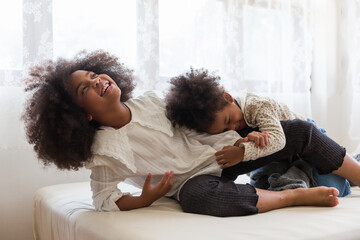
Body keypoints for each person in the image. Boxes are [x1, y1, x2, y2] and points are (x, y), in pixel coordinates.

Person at [23, 50, 345, 218]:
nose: (96, 80)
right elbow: (104, 199)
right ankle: (291, 196)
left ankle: (355, 172)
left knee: (300, 130)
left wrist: (246, 138)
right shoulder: (104, 149)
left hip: (221, 154)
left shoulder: (149, 102)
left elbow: (198, 121)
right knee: (198, 198)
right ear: (83, 115)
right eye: (85, 88)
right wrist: (144, 198)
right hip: (190, 181)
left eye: (94, 74)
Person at [165, 68, 357, 197]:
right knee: (266, 182)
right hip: (280, 157)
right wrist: (248, 140)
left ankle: (351, 169)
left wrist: (243, 152)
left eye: (228, 120)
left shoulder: (257, 106)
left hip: (305, 141)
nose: (232, 127)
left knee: (335, 187)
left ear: (228, 97)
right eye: (224, 129)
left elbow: (279, 138)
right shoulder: (232, 127)